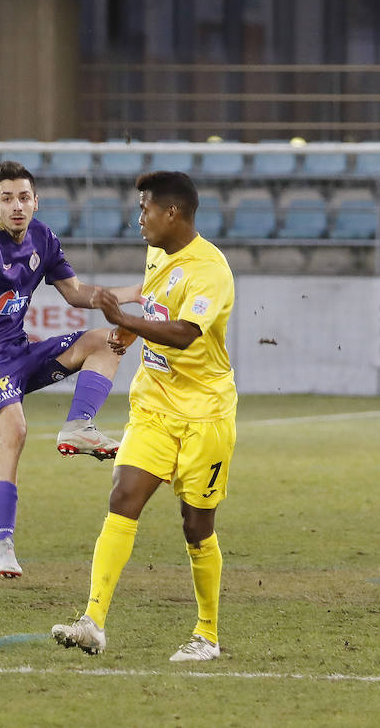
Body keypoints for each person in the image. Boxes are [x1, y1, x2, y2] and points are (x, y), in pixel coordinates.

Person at [0, 160, 140, 579]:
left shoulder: (43, 238)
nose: (16, 205)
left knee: (106, 340)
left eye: (23, 197)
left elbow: (76, 294)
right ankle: (1, 547)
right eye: (7, 198)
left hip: (21, 350)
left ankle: (79, 425)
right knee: (15, 432)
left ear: (35, 202)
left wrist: (135, 293)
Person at [52, 170, 237, 662]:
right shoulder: (158, 253)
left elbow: (183, 332)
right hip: (154, 404)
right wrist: (132, 334)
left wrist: (123, 320)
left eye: (145, 209)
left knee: (196, 526)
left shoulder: (211, 270)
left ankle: (207, 635)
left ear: (172, 213)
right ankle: (92, 621)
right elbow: (156, 307)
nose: (139, 219)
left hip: (205, 415)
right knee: (123, 498)